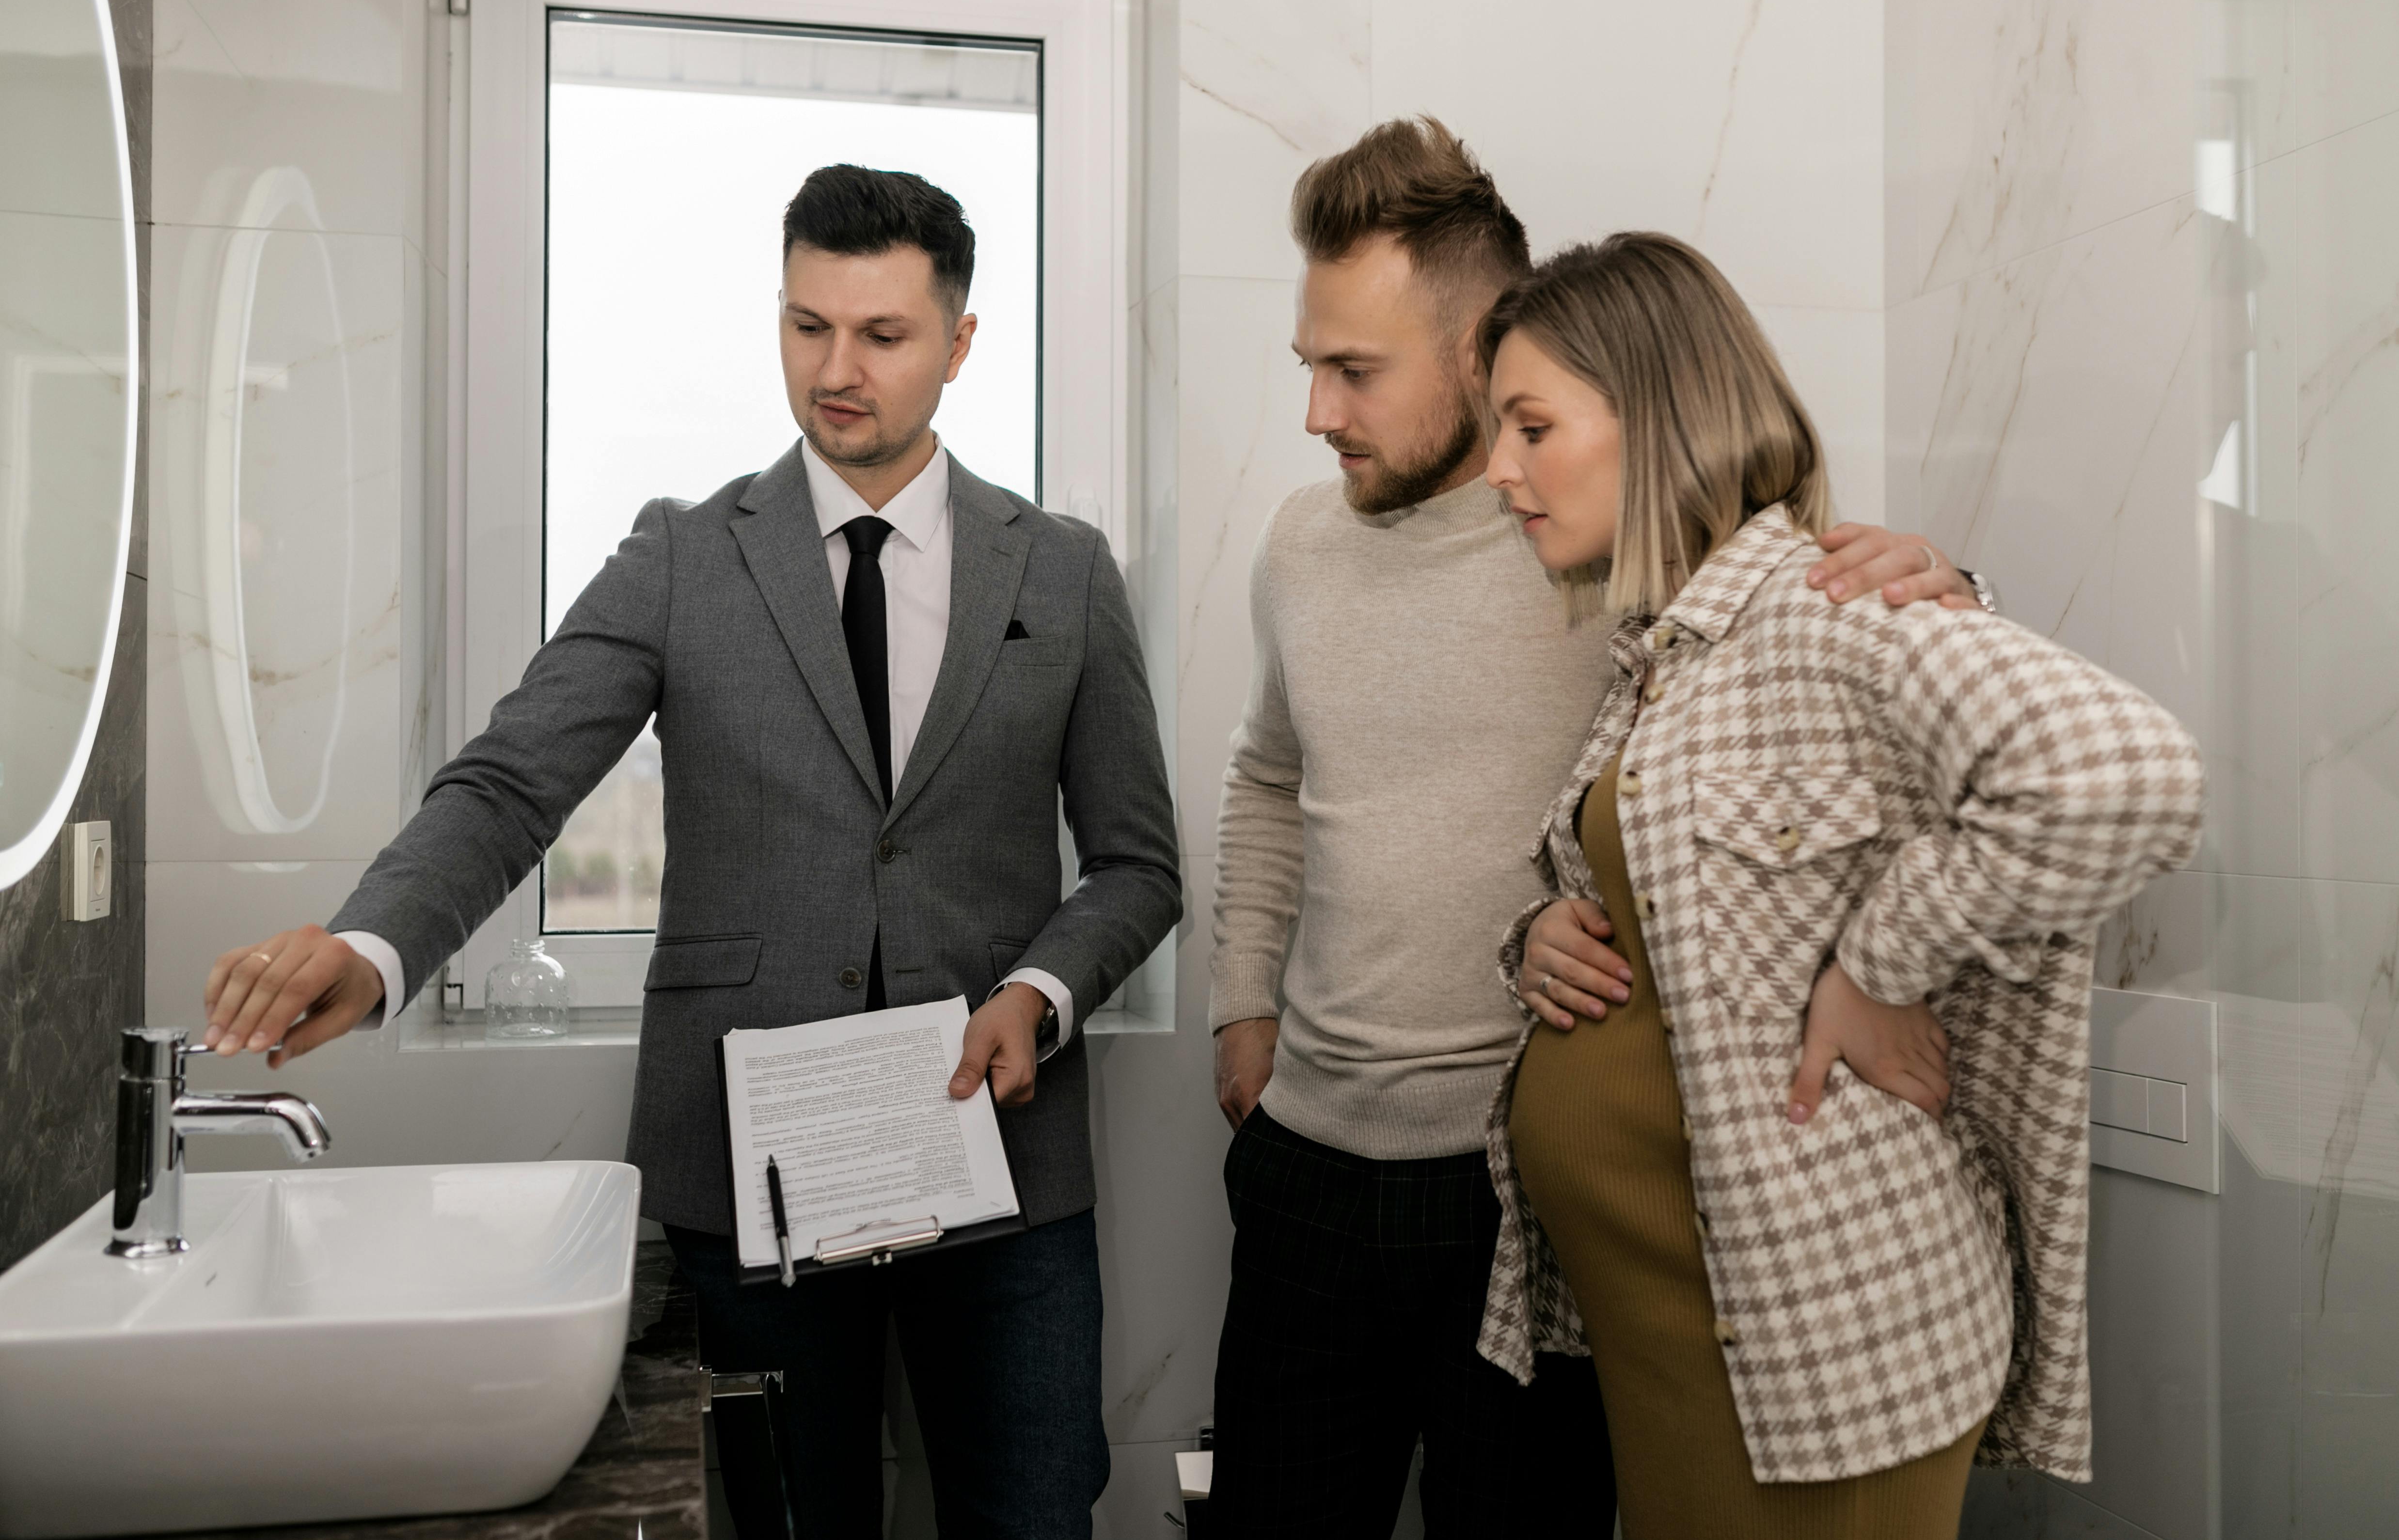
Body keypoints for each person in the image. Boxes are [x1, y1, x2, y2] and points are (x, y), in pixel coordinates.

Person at [194, 165, 1180, 1538]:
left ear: (960, 344)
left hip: (1003, 1177)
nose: (836, 370)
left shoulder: (1064, 573)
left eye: (882, 335)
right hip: (749, 1172)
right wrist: (373, 944)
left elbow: (1139, 863)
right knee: (775, 1519)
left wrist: (1042, 992)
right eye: (806, 324)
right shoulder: (681, 555)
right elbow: (508, 782)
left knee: (1031, 1516)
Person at [1204, 117, 1997, 1535]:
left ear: (1479, 357)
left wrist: (1946, 577)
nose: (1320, 413)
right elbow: (1269, 778)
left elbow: (1820, 676)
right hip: (1306, 1169)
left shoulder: (1615, 542)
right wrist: (1238, 1007)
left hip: (1520, 1203)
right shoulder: (1297, 546)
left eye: (1354, 371)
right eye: (1308, 367)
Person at [1474, 232, 2204, 1538]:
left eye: (1532, 425)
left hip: (1829, 1349)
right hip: (1679, 1332)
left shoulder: (1824, 611)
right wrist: (1536, 937)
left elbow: (2131, 776)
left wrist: (1879, 962)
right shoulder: (1664, 654)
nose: (1499, 469)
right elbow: (1679, 924)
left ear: (1658, 413)